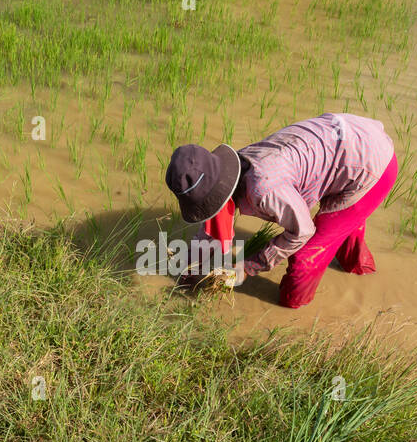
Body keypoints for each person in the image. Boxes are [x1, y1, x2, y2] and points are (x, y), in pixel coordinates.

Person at [164, 112, 398, 309]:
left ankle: (298, 305)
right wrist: (189, 272)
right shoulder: (227, 170)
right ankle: (361, 270)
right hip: (348, 142)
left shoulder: (264, 190)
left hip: (370, 166)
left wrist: (248, 267)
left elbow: (303, 231)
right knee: (339, 227)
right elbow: (212, 231)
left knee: (302, 266)